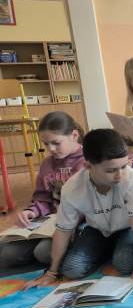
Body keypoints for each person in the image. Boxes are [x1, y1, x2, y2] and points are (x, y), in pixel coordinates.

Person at [23, 129, 133, 288]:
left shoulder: (130, 177)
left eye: (123, 166)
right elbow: (63, 230)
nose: (120, 175)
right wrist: (52, 272)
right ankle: (109, 249)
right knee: (72, 270)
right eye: (111, 170)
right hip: (98, 229)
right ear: (88, 166)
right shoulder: (72, 187)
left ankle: (117, 249)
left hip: (130, 226)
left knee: (125, 263)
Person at [0, 112, 84, 270]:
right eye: (46, 144)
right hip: (49, 222)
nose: (51, 149)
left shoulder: (88, 161)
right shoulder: (47, 164)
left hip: (76, 224)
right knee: (7, 254)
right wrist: (31, 212)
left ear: (74, 136)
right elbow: (42, 197)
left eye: (56, 143)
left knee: (43, 252)